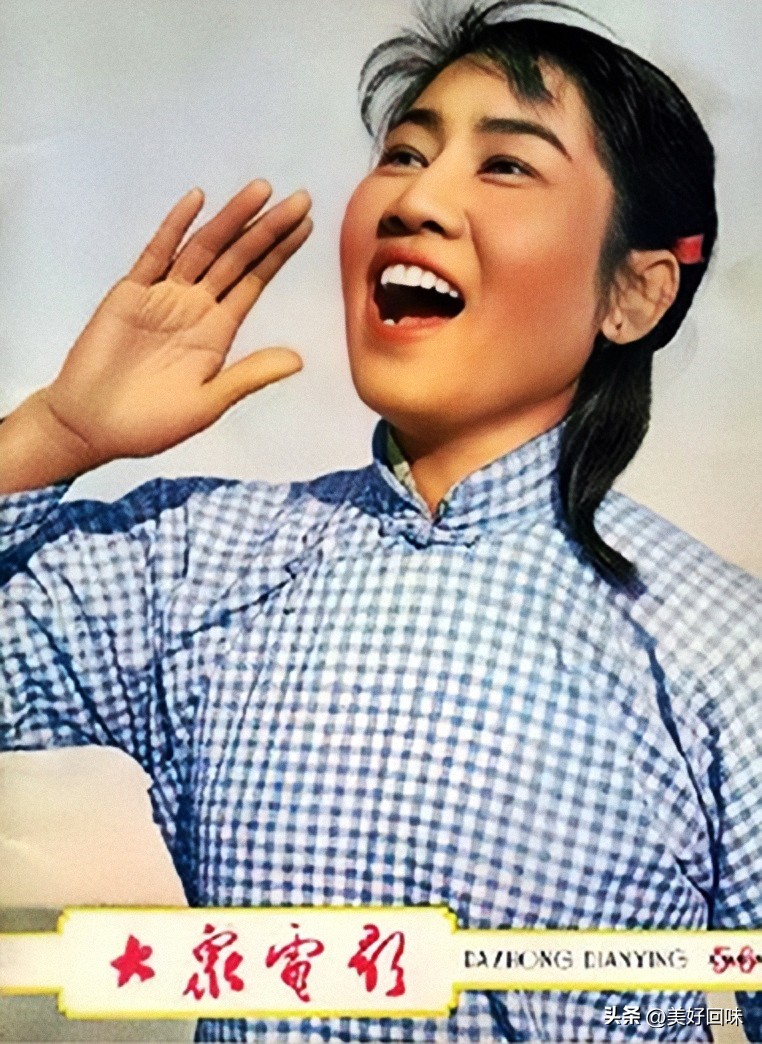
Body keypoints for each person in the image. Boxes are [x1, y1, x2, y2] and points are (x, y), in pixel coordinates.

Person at [1, 0, 760, 1040]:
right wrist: (53, 434)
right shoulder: (196, 565)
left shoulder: (720, 652)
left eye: (506, 165)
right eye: (404, 154)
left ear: (633, 294)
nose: (417, 200)